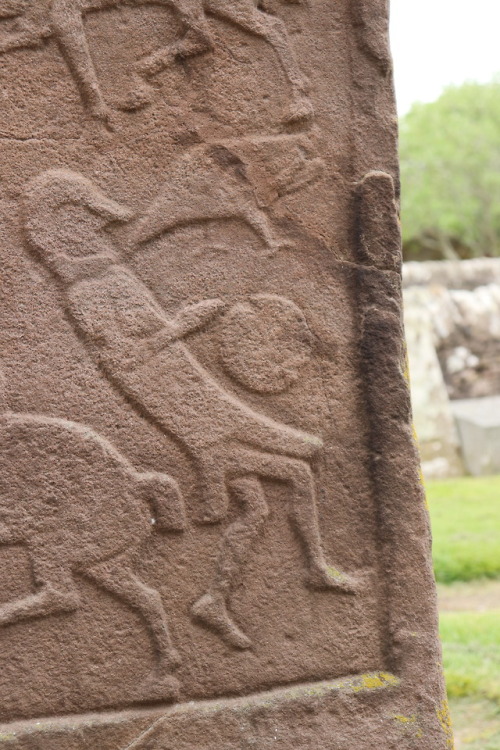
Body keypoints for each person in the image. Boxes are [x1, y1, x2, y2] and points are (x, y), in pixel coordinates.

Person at [24, 168, 356, 649]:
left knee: (259, 503)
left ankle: (216, 600)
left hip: (195, 398)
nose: (98, 229)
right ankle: (311, 570)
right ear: (62, 230)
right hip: (190, 413)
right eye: (86, 220)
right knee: (300, 466)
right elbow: (123, 359)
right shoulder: (85, 291)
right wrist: (183, 324)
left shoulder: (106, 276)